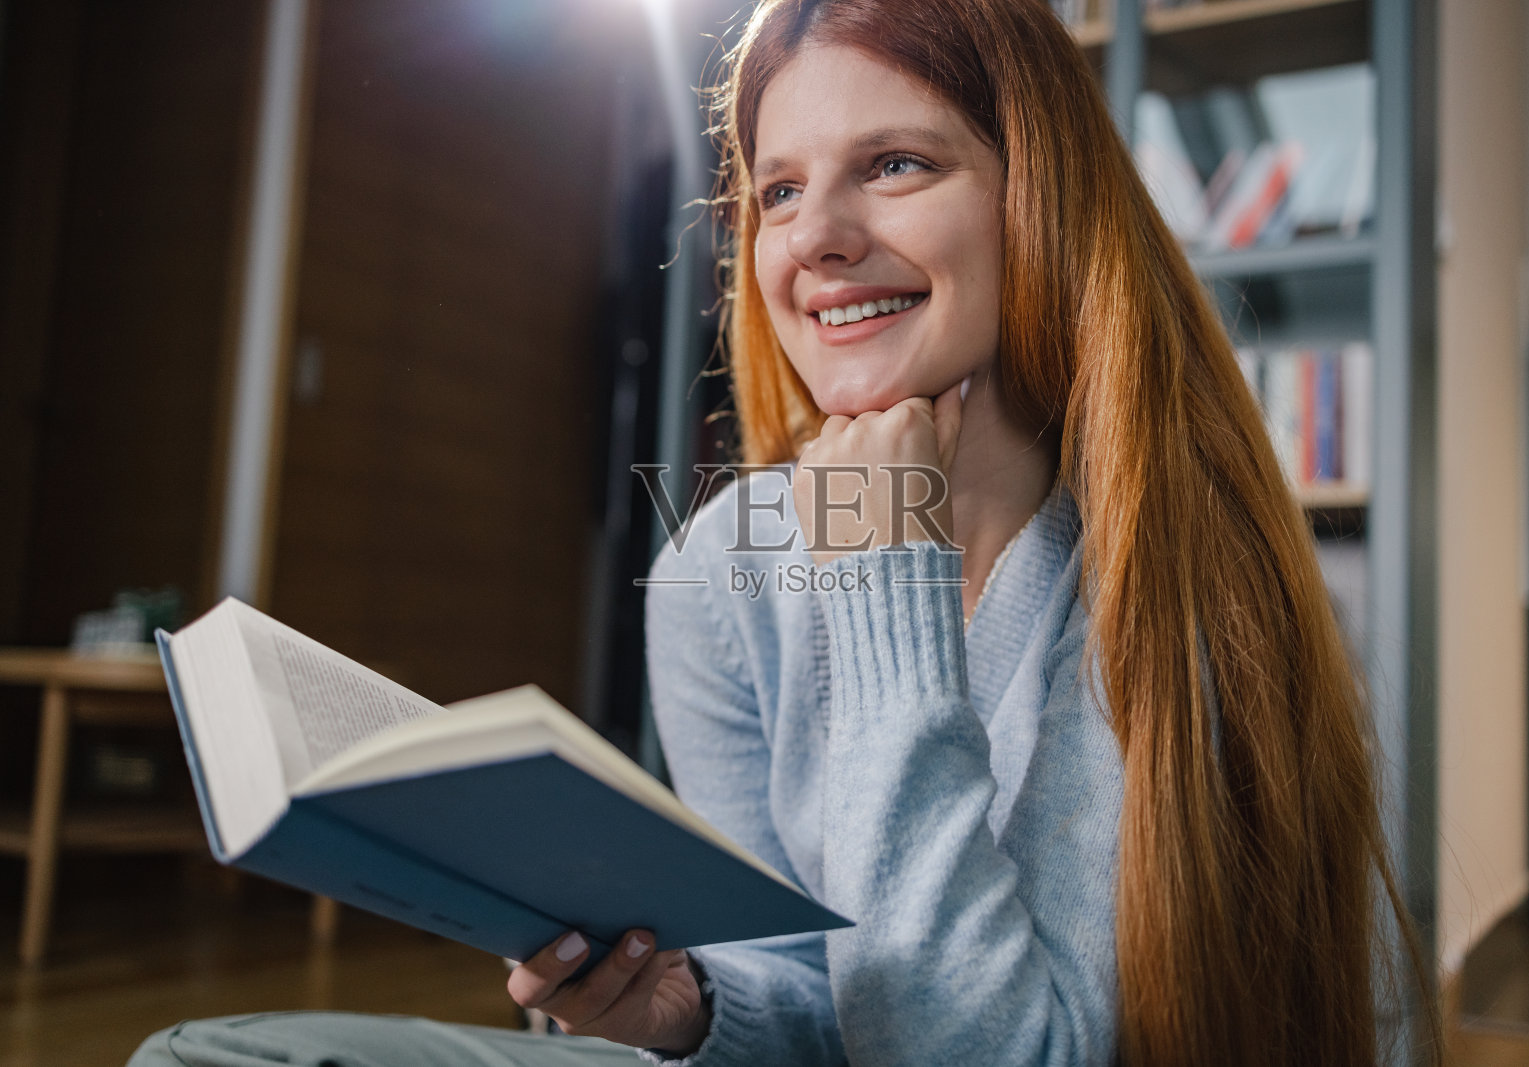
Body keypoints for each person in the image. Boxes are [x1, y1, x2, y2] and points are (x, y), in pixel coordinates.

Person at [129, 0, 1440, 1064]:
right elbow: (827, 1004)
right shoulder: (721, 573)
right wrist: (697, 1012)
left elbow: (992, 1053)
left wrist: (889, 581)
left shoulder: (1168, 574)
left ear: (1036, 198)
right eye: (779, 191)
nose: (818, 238)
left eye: (898, 164)